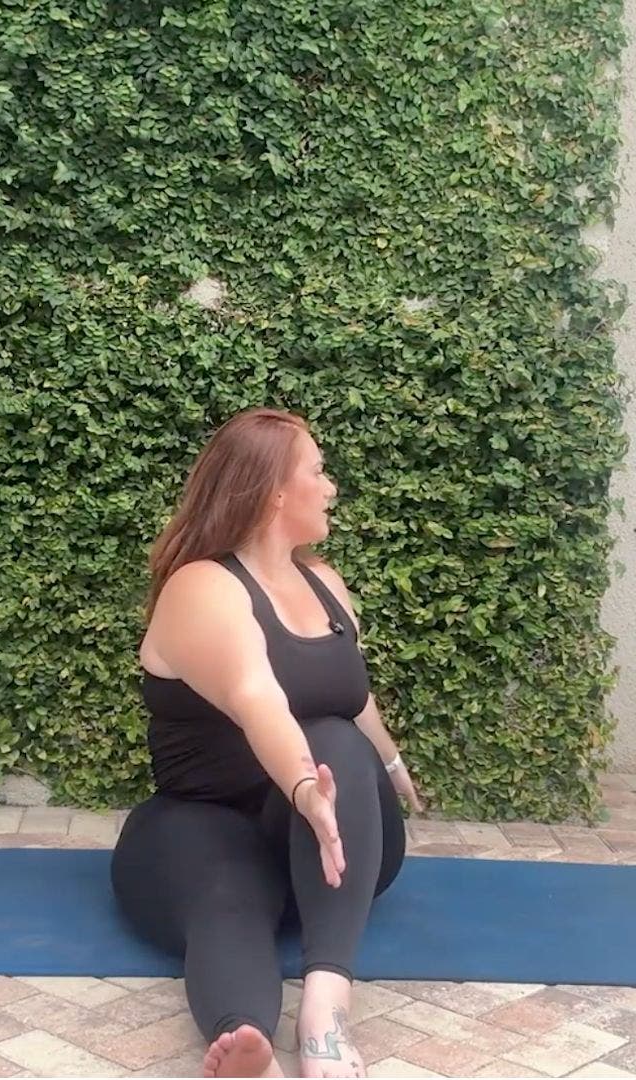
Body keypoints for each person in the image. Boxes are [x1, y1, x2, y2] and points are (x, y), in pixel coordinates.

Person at [110, 408, 423, 1079]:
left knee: (337, 741)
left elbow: (350, 696)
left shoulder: (326, 584)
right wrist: (305, 785)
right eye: (319, 470)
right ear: (276, 491)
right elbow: (259, 697)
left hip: (330, 840)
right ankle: (246, 1042)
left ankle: (325, 1011)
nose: (331, 485)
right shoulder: (203, 587)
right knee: (226, 895)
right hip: (206, 821)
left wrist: (389, 764)